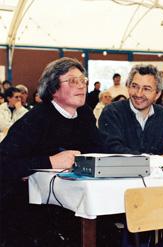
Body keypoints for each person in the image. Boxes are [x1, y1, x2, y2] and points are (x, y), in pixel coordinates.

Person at [0, 57, 103, 246]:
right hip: (28, 210)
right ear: (53, 88)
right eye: (73, 81)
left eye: (83, 80)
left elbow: (99, 150)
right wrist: (49, 162)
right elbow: (4, 164)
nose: (81, 86)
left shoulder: (85, 115)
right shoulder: (36, 119)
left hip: (72, 204)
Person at [99, 64, 163, 161]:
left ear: (157, 94)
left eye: (146, 89)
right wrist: (153, 160)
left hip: (156, 175)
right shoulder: (112, 112)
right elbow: (113, 152)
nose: (139, 93)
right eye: (135, 86)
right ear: (128, 87)